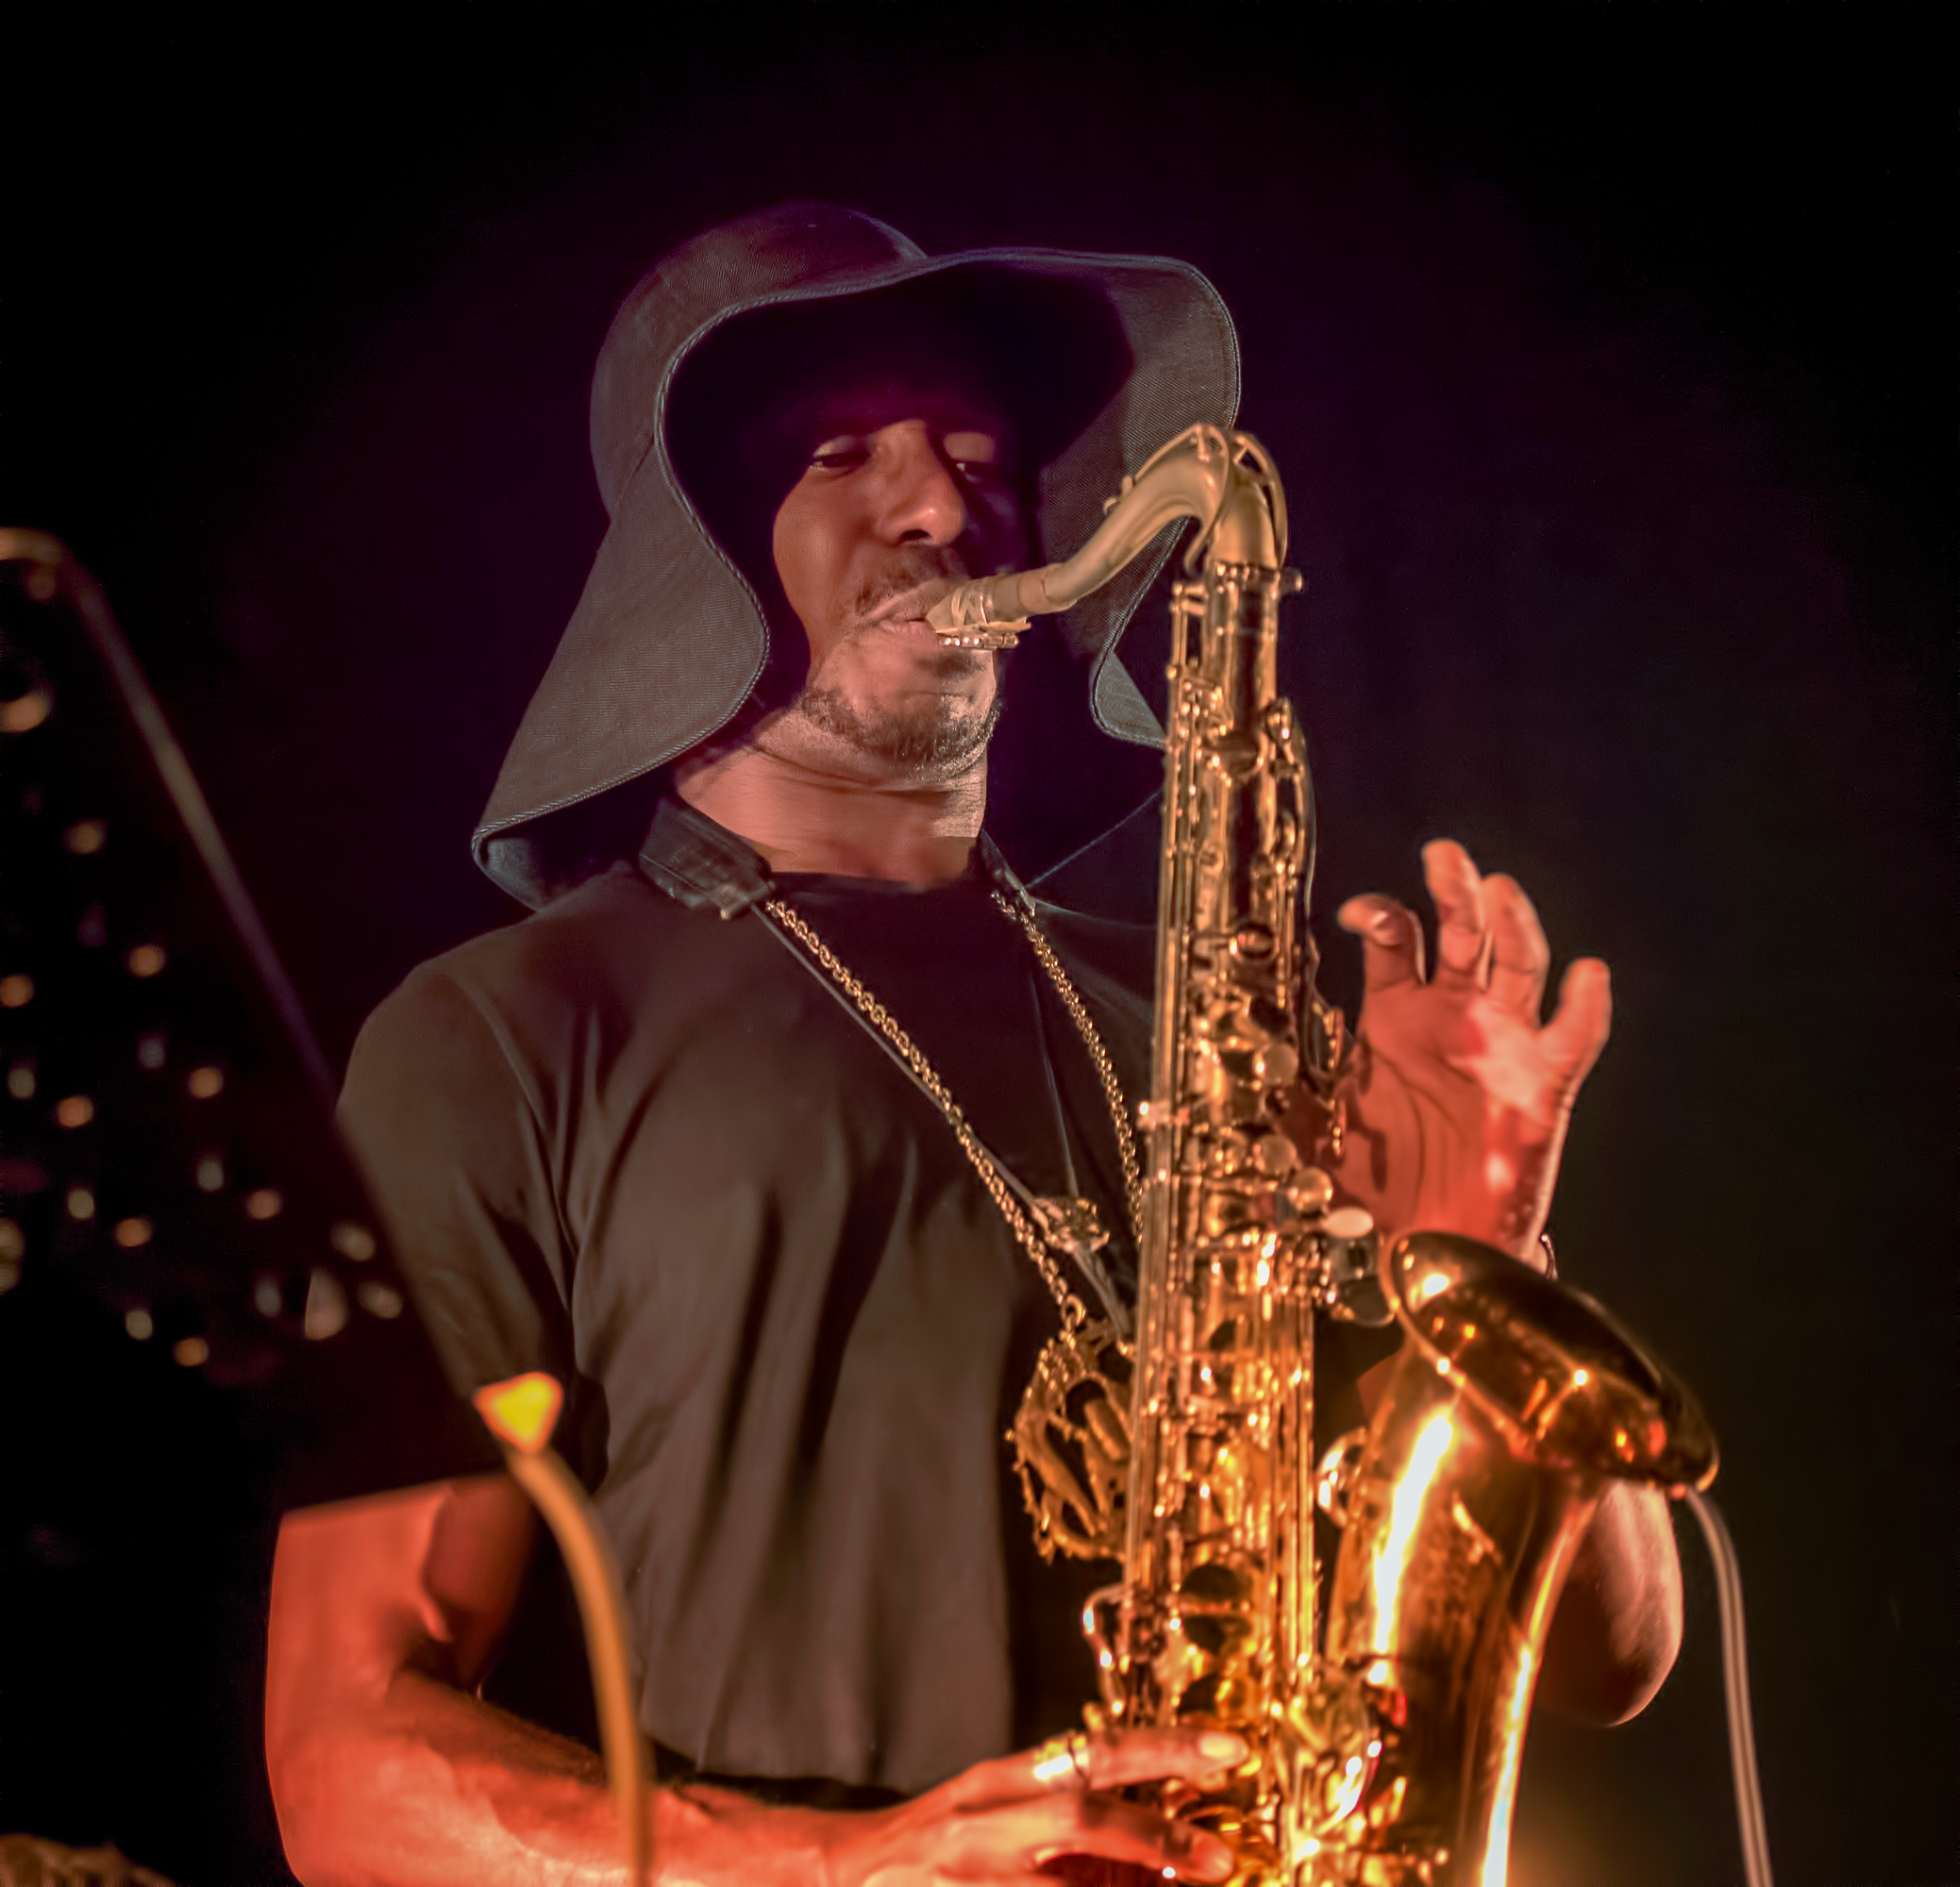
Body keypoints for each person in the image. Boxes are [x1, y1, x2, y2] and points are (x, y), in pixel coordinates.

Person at [263, 204, 1682, 1886]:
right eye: (837, 455)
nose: (942, 508)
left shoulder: (1213, 1030)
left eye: (980, 457)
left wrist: (1485, 1261)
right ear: (690, 560)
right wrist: (851, 1868)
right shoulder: (499, 1037)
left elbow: (1609, 1661)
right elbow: (346, 1767)